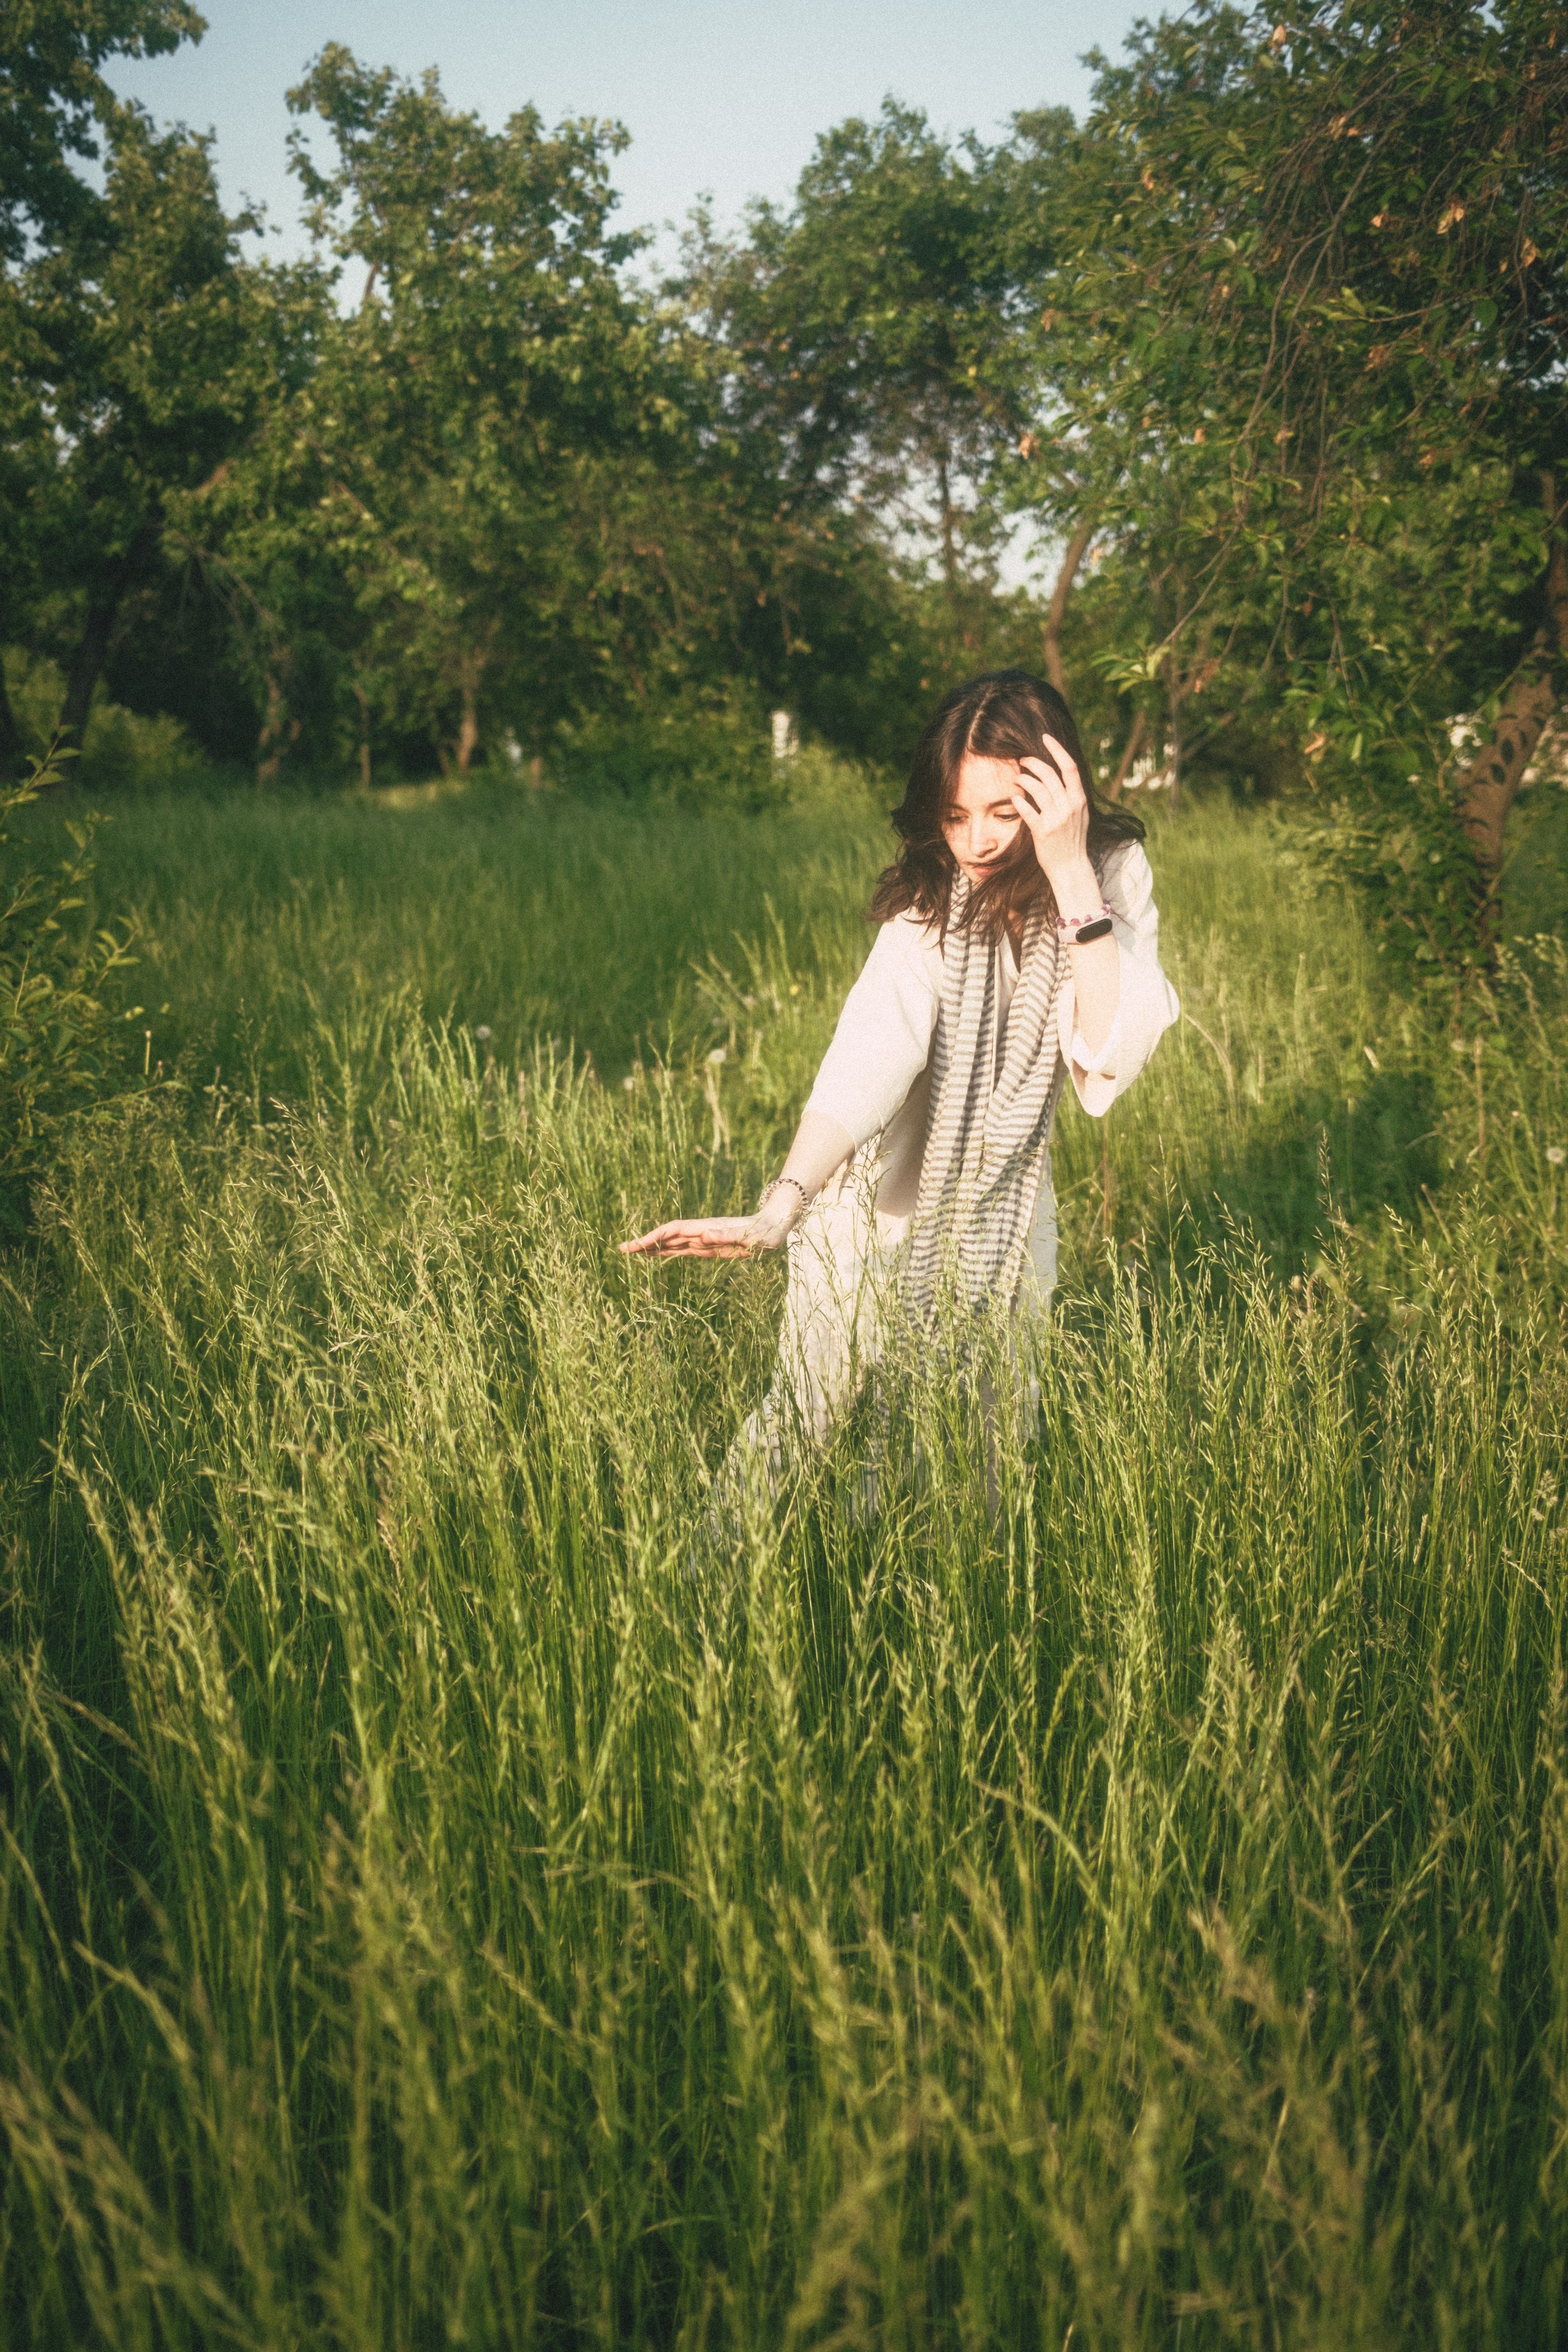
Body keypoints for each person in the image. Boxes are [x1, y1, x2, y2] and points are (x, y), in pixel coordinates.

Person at [622, 668, 1180, 1492]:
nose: (977, 842)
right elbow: (871, 1052)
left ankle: (944, 1608)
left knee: (991, 1451)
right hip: (864, 1209)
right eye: (955, 815)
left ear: (1054, 796)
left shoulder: (1109, 873)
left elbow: (1109, 1050)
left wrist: (1069, 873)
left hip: (1007, 1212)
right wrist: (783, 1203)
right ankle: (711, 1590)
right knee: (798, 1421)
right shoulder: (933, 893)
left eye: (1002, 812)